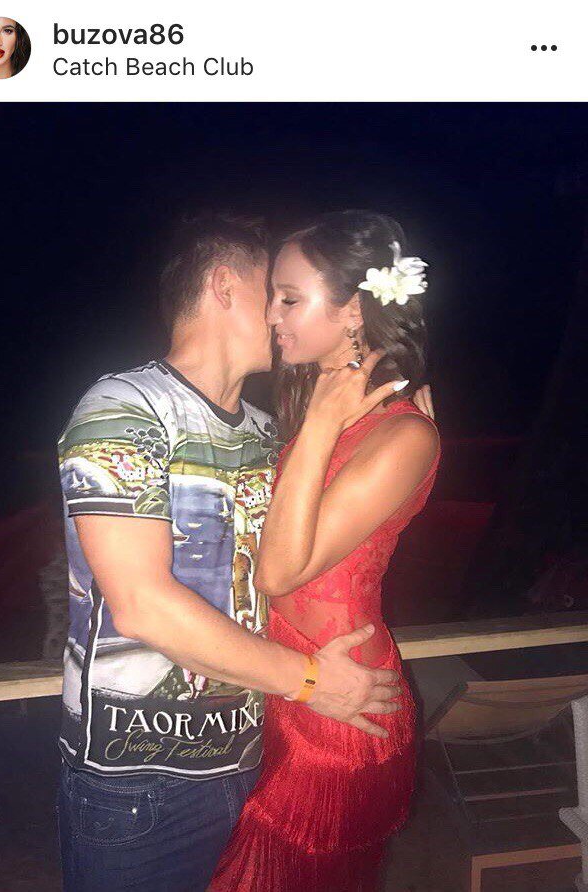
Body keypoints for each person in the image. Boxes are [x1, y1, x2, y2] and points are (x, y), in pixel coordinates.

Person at [55, 213, 410, 892]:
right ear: (223, 286)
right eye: (271, 291)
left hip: (255, 756)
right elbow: (143, 606)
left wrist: (403, 416)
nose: (280, 315)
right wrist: (313, 680)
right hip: (140, 777)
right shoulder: (124, 408)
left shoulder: (267, 433)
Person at [209, 210, 441, 891]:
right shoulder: (341, 417)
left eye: (289, 298)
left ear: (354, 311)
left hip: (342, 714)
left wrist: (318, 423)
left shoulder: (402, 434)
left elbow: (279, 573)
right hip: (298, 681)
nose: (270, 315)